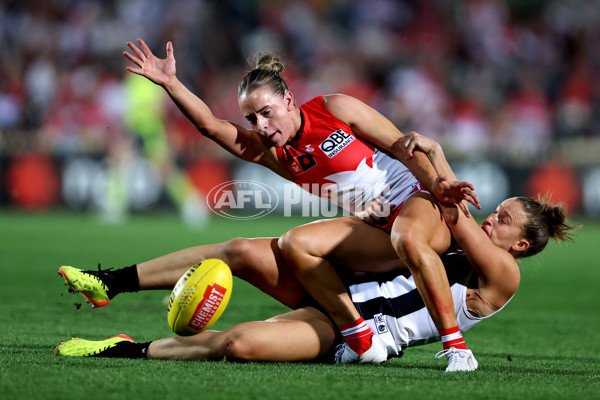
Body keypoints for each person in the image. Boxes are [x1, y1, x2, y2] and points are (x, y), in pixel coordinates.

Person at [112, 38, 486, 369]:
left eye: (266, 112)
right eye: (251, 118)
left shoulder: (334, 108)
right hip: (375, 227)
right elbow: (211, 126)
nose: (259, 125)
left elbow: (402, 146)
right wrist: (171, 84)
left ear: (289, 100)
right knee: (294, 243)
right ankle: (361, 339)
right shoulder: (272, 153)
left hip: (416, 200)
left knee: (407, 236)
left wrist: (438, 183)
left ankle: (457, 350)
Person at [55, 144, 578, 369]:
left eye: (503, 220)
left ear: (522, 246)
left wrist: (436, 159)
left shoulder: (502, 275)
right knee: (238, 247)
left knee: (238, 345)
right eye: (497, 211)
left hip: (367, 332)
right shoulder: (456, 236)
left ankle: (121, 349)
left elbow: (448, 203)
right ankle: (108, 282)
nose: (491, 218)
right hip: (340, 288)